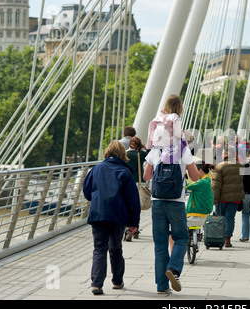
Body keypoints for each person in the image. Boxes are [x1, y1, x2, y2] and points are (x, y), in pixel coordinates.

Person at [143, 94, 199, 294]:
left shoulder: (155, 149)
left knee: (159, 244)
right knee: (181, 238)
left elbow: (146, 176)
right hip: (176, 201)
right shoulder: (182, 147)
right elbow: (193, 175)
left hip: (157, 202)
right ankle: (173, 268)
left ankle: (161, 286)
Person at [82, 140, 141, 295]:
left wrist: (96, 198)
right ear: (123, 154)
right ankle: (117, 281)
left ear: (107, 152)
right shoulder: (125, 172)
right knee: (115, 249)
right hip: (117, 216)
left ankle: (96, 284)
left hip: (98, 214)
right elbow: (133, 200)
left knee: (99, 249)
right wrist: (134, 223)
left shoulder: (96, 169)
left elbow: (87, 191)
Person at [212, 145, 245, 248]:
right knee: (230, 218)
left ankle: (219, 238)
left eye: (222, 153)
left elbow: (216, 185)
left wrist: (214, 199)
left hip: (222, 198)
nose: (221, 155)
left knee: (220, 218)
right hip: (235, 198)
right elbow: (241, 182)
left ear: (226, 154)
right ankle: (227, 240)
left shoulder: (220, 166)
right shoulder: (241, 166)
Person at [125, 136, 149, 240]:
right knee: (136, 207)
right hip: (139, 183)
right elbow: (151, 154)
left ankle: (127, 228)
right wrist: (144, 146)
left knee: (127, 206)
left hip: (127, 183)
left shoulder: (125, 154)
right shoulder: (142, 154)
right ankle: (135, 229)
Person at [185, 162, 214, 228]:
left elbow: (187, 186)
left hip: (198, 215)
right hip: (202, 213)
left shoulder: (202, 182)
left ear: (200, 170)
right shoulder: (206, 181)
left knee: (175, 225)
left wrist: (183, 178)